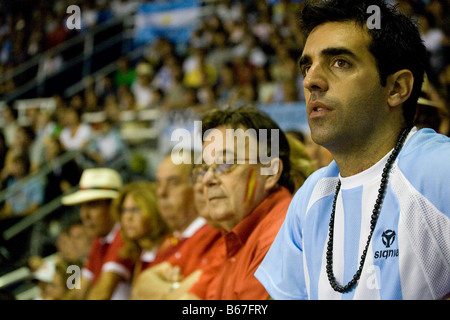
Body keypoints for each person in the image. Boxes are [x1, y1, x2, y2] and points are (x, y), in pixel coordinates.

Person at [255, 0, 450, 300]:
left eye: (340, 62)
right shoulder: (310, 196)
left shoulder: (438, 170)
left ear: (397, 88)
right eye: (307, 66)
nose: (311, 81)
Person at [61, 168, 135, 300]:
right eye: (82, 207)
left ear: (114, 207)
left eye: (92, 205)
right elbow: (79, 291)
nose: (84, 215)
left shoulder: (123, 236)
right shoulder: (100, 240)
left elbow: (102, 294)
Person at [111, 181, 170, 285]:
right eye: (124, 210)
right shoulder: (140, 252)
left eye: (136, 210)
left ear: (153, 211)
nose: (128, 217)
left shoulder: (168, 248)